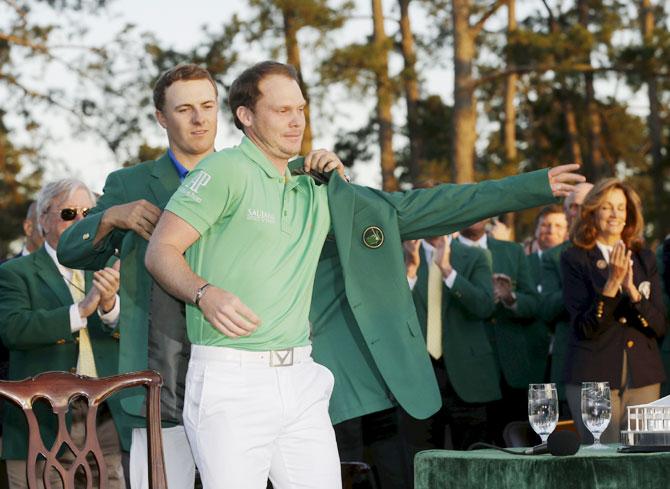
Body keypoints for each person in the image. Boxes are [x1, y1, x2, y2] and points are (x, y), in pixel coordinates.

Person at [144, 60, 584, 488]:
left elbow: (427, 208)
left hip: (301, 378)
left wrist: (530, 186)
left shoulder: (316, 189)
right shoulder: (222, 170)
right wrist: (204, 293)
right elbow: (161, 252)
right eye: (282, 110)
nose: (297, 121)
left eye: (300, 109)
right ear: (246, 116)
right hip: (231, 380)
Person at [57, 63, 218, 489]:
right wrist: (111, 216)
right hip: (156, 379)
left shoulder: (247, 175)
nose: (200, 118)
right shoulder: (129, 184)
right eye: (185, 109)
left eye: (208, 105)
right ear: (162, 118)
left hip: (232, 372)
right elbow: (71, 249)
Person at [0, 179, 125, 489]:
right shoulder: (15, 272)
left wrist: (109, 307)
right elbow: (12, 330)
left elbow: (133, 334)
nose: (81, 221)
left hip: (104, 418)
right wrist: (80, 311)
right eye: (69, 213)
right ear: (43, 219)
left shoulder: (109, 266)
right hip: (38, 422)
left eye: (89, 212)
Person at [561, 178, 666, 443]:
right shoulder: (574, 258)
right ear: (592, 211)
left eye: (621, 207)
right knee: (601, 460)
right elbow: (585, 328)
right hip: (593, 376)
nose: (615, 214)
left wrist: (631, 290)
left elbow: (659, 326)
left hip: (643, 377)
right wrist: (610, 286)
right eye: (607, 207)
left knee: (642, 462)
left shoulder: (645, 258)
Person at [401, 234, 497, 456]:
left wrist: (447, 270)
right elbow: (391, 313)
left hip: (467, 377)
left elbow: (484, 306)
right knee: (421, 459)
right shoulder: (402, 255)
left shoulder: (476, 256)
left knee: (472, 461)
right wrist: (410, 271)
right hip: (419, 375)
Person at [457, 219, 540, 443]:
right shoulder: (446, 253)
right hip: (467, 373)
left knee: (517, 446)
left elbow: (534, 304)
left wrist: (510, 298)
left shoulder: (512, 251)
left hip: (510, 370)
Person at [539, 182, 593, 405]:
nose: (576, 212)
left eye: (583, 205)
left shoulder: (617, 251)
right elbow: (547, 309)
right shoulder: (553, 257)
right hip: (570, 361)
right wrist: (579, 287)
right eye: (571, 206)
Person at [526, 204, 568, 380]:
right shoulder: (523, 264)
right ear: (536, 229)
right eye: (545, 225)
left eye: (558, 226)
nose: (551, 230)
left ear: (567, 231)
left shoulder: (575, 263)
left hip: (565, 356)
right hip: (530, 358)